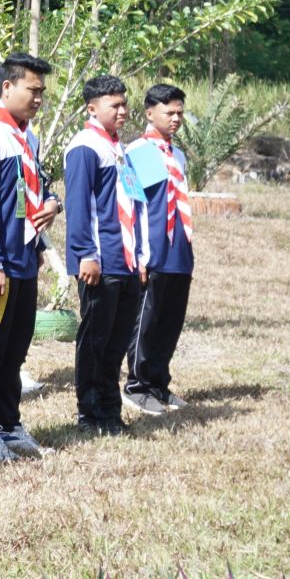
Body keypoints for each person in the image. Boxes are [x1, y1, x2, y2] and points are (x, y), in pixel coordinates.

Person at [0, 53, 60, 464]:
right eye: (32, 89)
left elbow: (38, 189)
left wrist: (52, 205)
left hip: (23, 257)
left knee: (16, 346)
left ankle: (8, 420)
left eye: (42, 91)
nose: (39, 98)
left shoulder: (26, 137)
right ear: (7, 87)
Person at [66, 75, 146, 437]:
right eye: (114, 105)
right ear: (92, 107)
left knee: (116, 342)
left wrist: (141, 255)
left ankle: (111, 410)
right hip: (101, 260)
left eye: (124, 104)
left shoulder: (120, 149)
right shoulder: (85, 146)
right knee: (96, 339)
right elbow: (79, 206)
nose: (123, 111)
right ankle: (90, 411)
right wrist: (85, 254)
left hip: (126, 260)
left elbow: (134, 204)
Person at [126, 84, 195, 414]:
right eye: (169, 112)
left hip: (178, 249)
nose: (176, 118)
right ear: (149, 112)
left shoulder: (176, 155)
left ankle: (158, 382)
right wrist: (139, 253)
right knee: (147, 319)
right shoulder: (140, 151)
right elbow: (138, 205)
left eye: (180, 112)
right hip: (152, 248)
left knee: (170, 319)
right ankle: (137, 384)